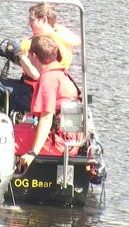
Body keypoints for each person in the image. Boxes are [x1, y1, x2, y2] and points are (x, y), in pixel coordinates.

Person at [0, 2, 80, 113]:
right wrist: (6, 52)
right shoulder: (57, 36)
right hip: (40, 89)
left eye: (32, 20)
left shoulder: (43, 44)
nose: (29, 24)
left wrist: (19, 54)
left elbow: (35, 74)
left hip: (35, 94)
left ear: (44, 19)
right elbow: (31, 63)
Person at [14, 35, 82, 168]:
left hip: (58, 144)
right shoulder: (62, 74)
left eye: (28, 54)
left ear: (33, 55)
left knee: (2, 137)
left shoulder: (48, 79)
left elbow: (46, 118)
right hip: (71, 141)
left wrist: (33, 153)